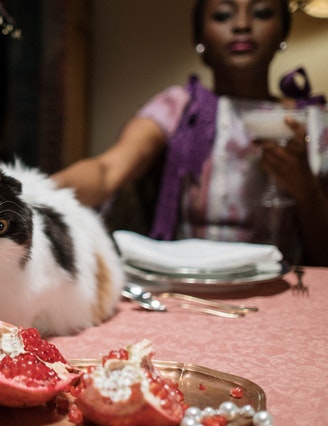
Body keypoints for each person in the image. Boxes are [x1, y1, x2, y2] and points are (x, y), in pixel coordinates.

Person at [53, 0, 328, 266]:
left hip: (280, 291)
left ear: (283, 31)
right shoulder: (181, 109)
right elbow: (106, 170)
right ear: (200, 37)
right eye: (223, 15)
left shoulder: (310, 121)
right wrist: (37, 189)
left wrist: (306, 191)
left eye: (262, 12)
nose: (242, 24)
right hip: (190, 286)